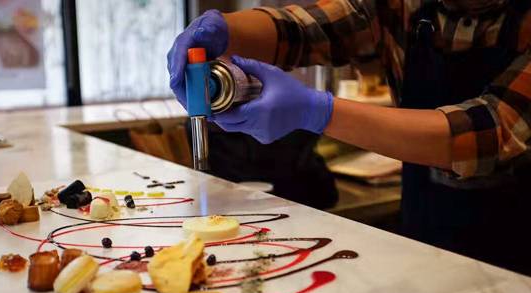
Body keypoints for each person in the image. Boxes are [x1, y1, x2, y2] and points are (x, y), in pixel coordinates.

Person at [167, 1, 531, 275]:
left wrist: (316, 111)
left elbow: (492, 133)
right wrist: (224, 30)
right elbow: (305, 29)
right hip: (425, 242)